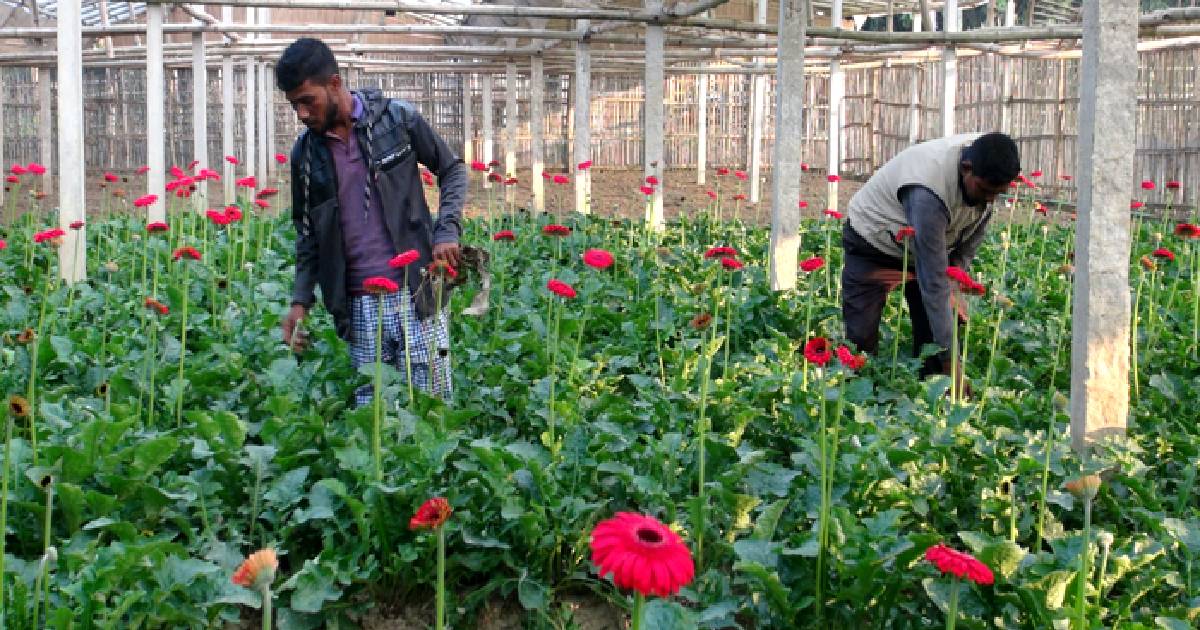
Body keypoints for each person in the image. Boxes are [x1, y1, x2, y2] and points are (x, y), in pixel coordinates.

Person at [276, 37, 466, 404]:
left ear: (334, 84)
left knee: (432, 413)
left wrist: (447, 230)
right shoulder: (304, 155)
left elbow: (452, 169)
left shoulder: (398, 119)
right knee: (374, 422)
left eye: (306, 101)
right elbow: (307, 236)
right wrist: (300, 301)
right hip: (358, 306)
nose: (301, 113)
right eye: (293, 105)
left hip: (418, 292)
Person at [841, 132, 1020, 389]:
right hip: (873, 243)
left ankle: (932, 401)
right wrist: (952, 363)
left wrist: (955, 285)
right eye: (985, 190)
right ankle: (860, 401)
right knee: (861, 342)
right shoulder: (928, 192)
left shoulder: (990, 165)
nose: (991, 199)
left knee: (938, 333)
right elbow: (933, 281)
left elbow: (965, 249)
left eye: (998, 193)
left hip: (929, 245)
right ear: (966, 169)